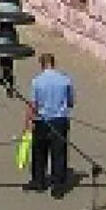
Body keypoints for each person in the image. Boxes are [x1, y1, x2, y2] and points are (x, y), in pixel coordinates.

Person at [25, 52, 75, 198]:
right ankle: (58, 186)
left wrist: (28, 122)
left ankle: (38, 181)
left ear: (41, 64)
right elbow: (71, 101)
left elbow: (33, 104)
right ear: (54, 64)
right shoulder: (65, 80)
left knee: (39, 151)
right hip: (60, 121)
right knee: (58, 153)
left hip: (42, 121)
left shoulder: (37, 81)